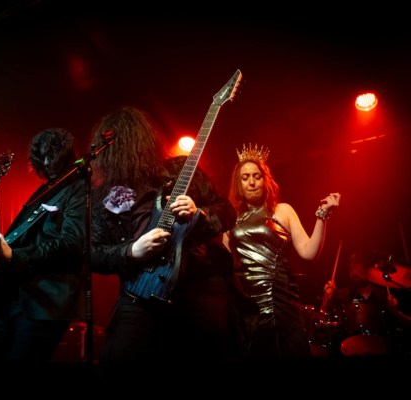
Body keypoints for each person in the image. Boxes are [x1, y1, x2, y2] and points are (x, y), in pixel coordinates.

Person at [88, 106, 252, 377]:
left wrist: (200, 213)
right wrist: (131, 251)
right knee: (118, 361)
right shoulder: (110, 194)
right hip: (139, 293)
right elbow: (93, 253)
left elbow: (227, 211)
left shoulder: (177, 170)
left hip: (197, 286)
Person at [0, 128, 87, 366]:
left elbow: (71, 244)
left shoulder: (79, 188)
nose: (46, 162)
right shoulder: (43, 191)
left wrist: (14, 255)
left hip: (45, 305)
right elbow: (16, 241)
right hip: (10, 300)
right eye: (42, 156)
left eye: (51, 154)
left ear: (65, 154)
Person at [223, 143, 341, 360]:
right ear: (238, 183)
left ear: (265, 179)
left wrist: (322, 215)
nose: (251, 182)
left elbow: (309, 253)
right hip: (244, 304)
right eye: (245, 177)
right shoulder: (231, 218)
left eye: (257, 176)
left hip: (279, 300)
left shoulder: (282, 210)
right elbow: (225, 262)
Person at [319, 251, 411, 356]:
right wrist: (327, 297)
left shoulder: (384, 296)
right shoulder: (341, 295)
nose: (354, 271)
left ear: (369, 270)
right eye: (352, 266)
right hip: (348, 350)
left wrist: (395, 311)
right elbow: (323, 317)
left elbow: (404, 327)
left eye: (358, 266)